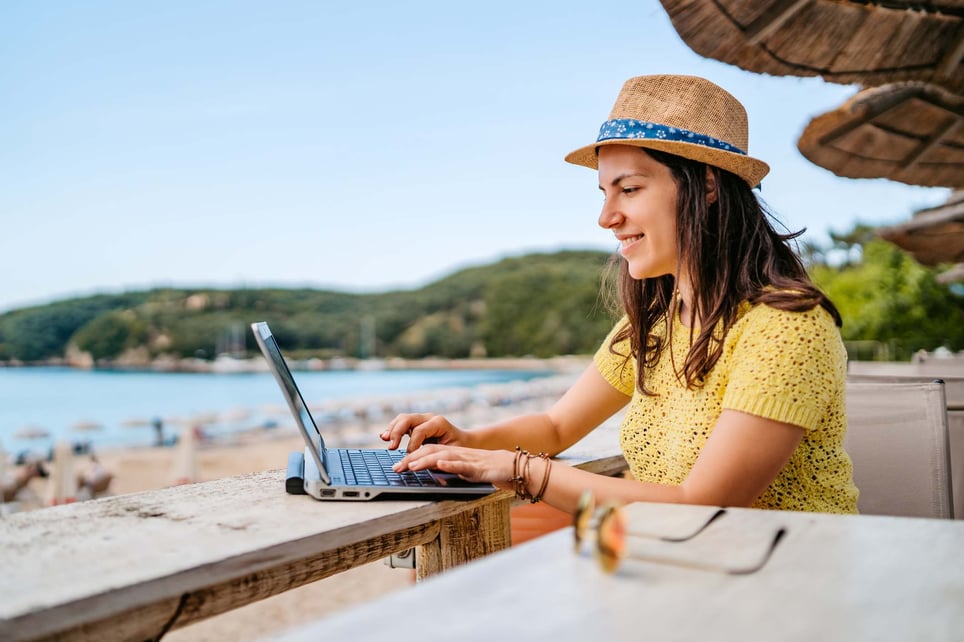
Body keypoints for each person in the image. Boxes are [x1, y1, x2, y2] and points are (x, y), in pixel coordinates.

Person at [383, 74, 858, 515]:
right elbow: (556, 427)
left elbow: (705, 505)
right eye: (603, 193)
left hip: (785, 576)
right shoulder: (656, 322)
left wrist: (520, 470)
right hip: (684, 564)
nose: (606, 217)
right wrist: (466, 439)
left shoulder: (787, 328)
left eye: (628, 189)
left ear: (708, 186)